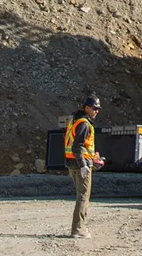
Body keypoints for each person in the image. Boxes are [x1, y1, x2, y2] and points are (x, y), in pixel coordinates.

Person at [64, 96, 105, 238]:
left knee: (81, 196)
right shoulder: (84, 124)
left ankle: (81, 227)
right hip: (81, 166)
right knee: (83, 197)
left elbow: (80, 147)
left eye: (98, 109)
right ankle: (78, 229)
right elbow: (77, 146)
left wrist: (94, 158)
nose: (96, 111)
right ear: (86, 107)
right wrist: (83, 165)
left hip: (72, 164)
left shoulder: (75, 121)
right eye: (94, 108)